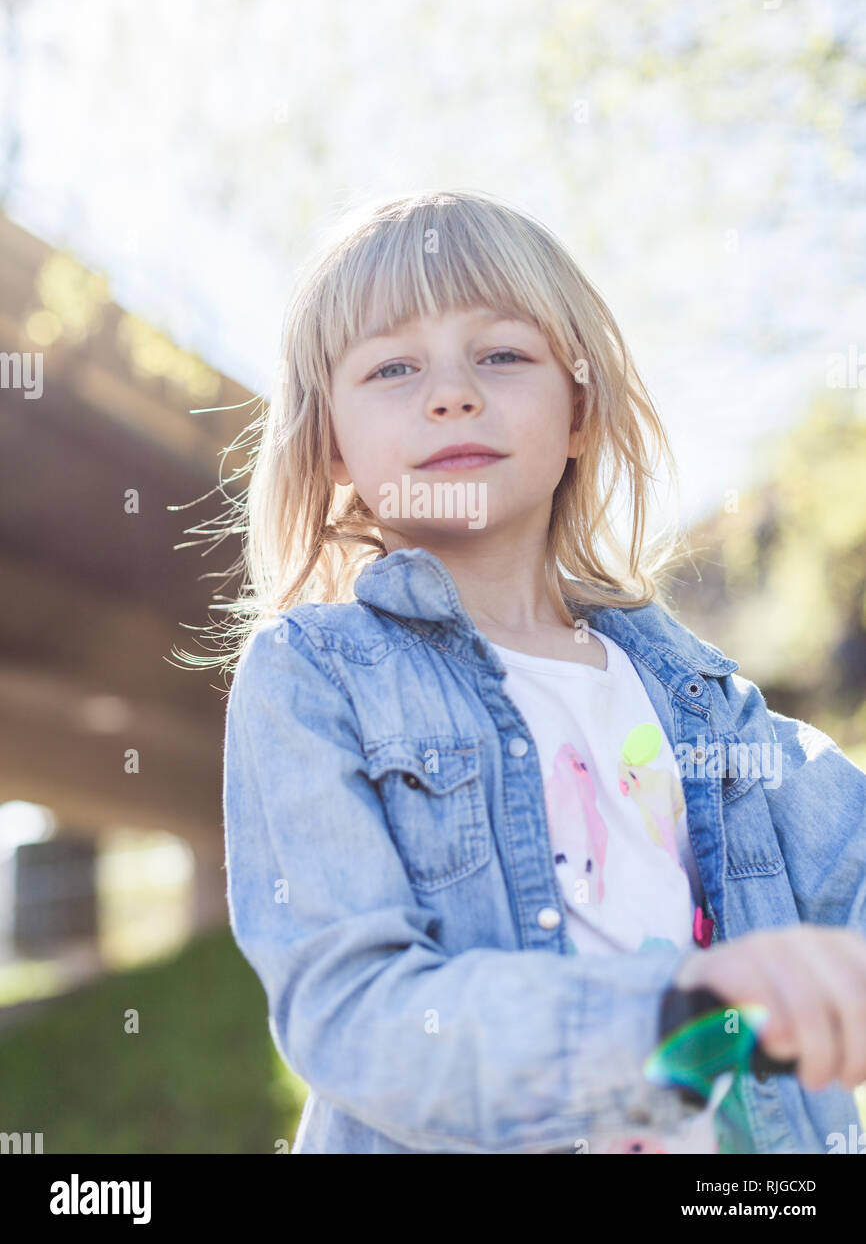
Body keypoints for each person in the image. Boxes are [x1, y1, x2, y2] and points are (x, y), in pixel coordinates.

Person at [212, 188, 866, 1154]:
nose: (451, 392)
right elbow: (357, 1015)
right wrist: (678, 1011)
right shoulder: (314, 677)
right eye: (393, 366)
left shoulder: (701, 700)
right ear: (330, 445)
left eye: (503, 354)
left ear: (579, 413)